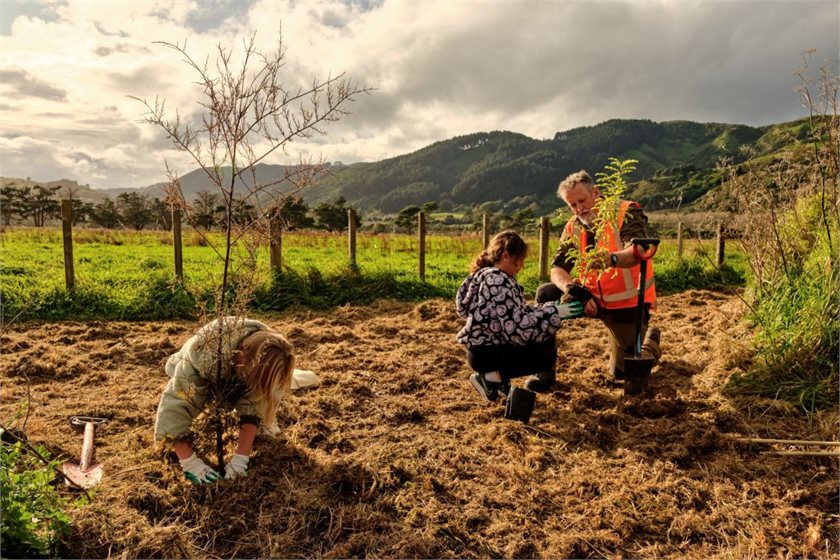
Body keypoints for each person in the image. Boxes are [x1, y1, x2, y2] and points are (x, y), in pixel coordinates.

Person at [535, 170, 661, 385]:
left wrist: (611, 259)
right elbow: (557, 268)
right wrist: (572, 289)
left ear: (596, 192)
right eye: (572, 205)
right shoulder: (572, 226)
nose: (579, 209)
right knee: (545, 294)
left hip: (624, 304)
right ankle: (544, 371)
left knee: (621, 374)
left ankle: (650, 340)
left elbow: (638, 251)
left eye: (582, 200)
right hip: (588, 296)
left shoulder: (625, 212)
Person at [154, 316, 295, 484]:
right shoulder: (198, 361)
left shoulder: (269, 349)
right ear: (243, 360)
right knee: (184, 400)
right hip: (194, 364)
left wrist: (240, 459)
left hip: (238, 371)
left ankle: (267, 421)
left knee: (263, 400)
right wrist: (190, 462)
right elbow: (174, 410)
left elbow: (254, 404)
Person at [456, 230, 585, 400]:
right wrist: (555, 313)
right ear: (506, 256)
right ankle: (490, 378)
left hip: (482, 350)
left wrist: (552, 308)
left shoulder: (487, 276)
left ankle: (497, 384)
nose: (521, 267)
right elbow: (517, 329)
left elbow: (518, 313)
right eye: (519, 261)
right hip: (488, 354)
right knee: (545, 355)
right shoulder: (498, 281)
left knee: (542, 335)